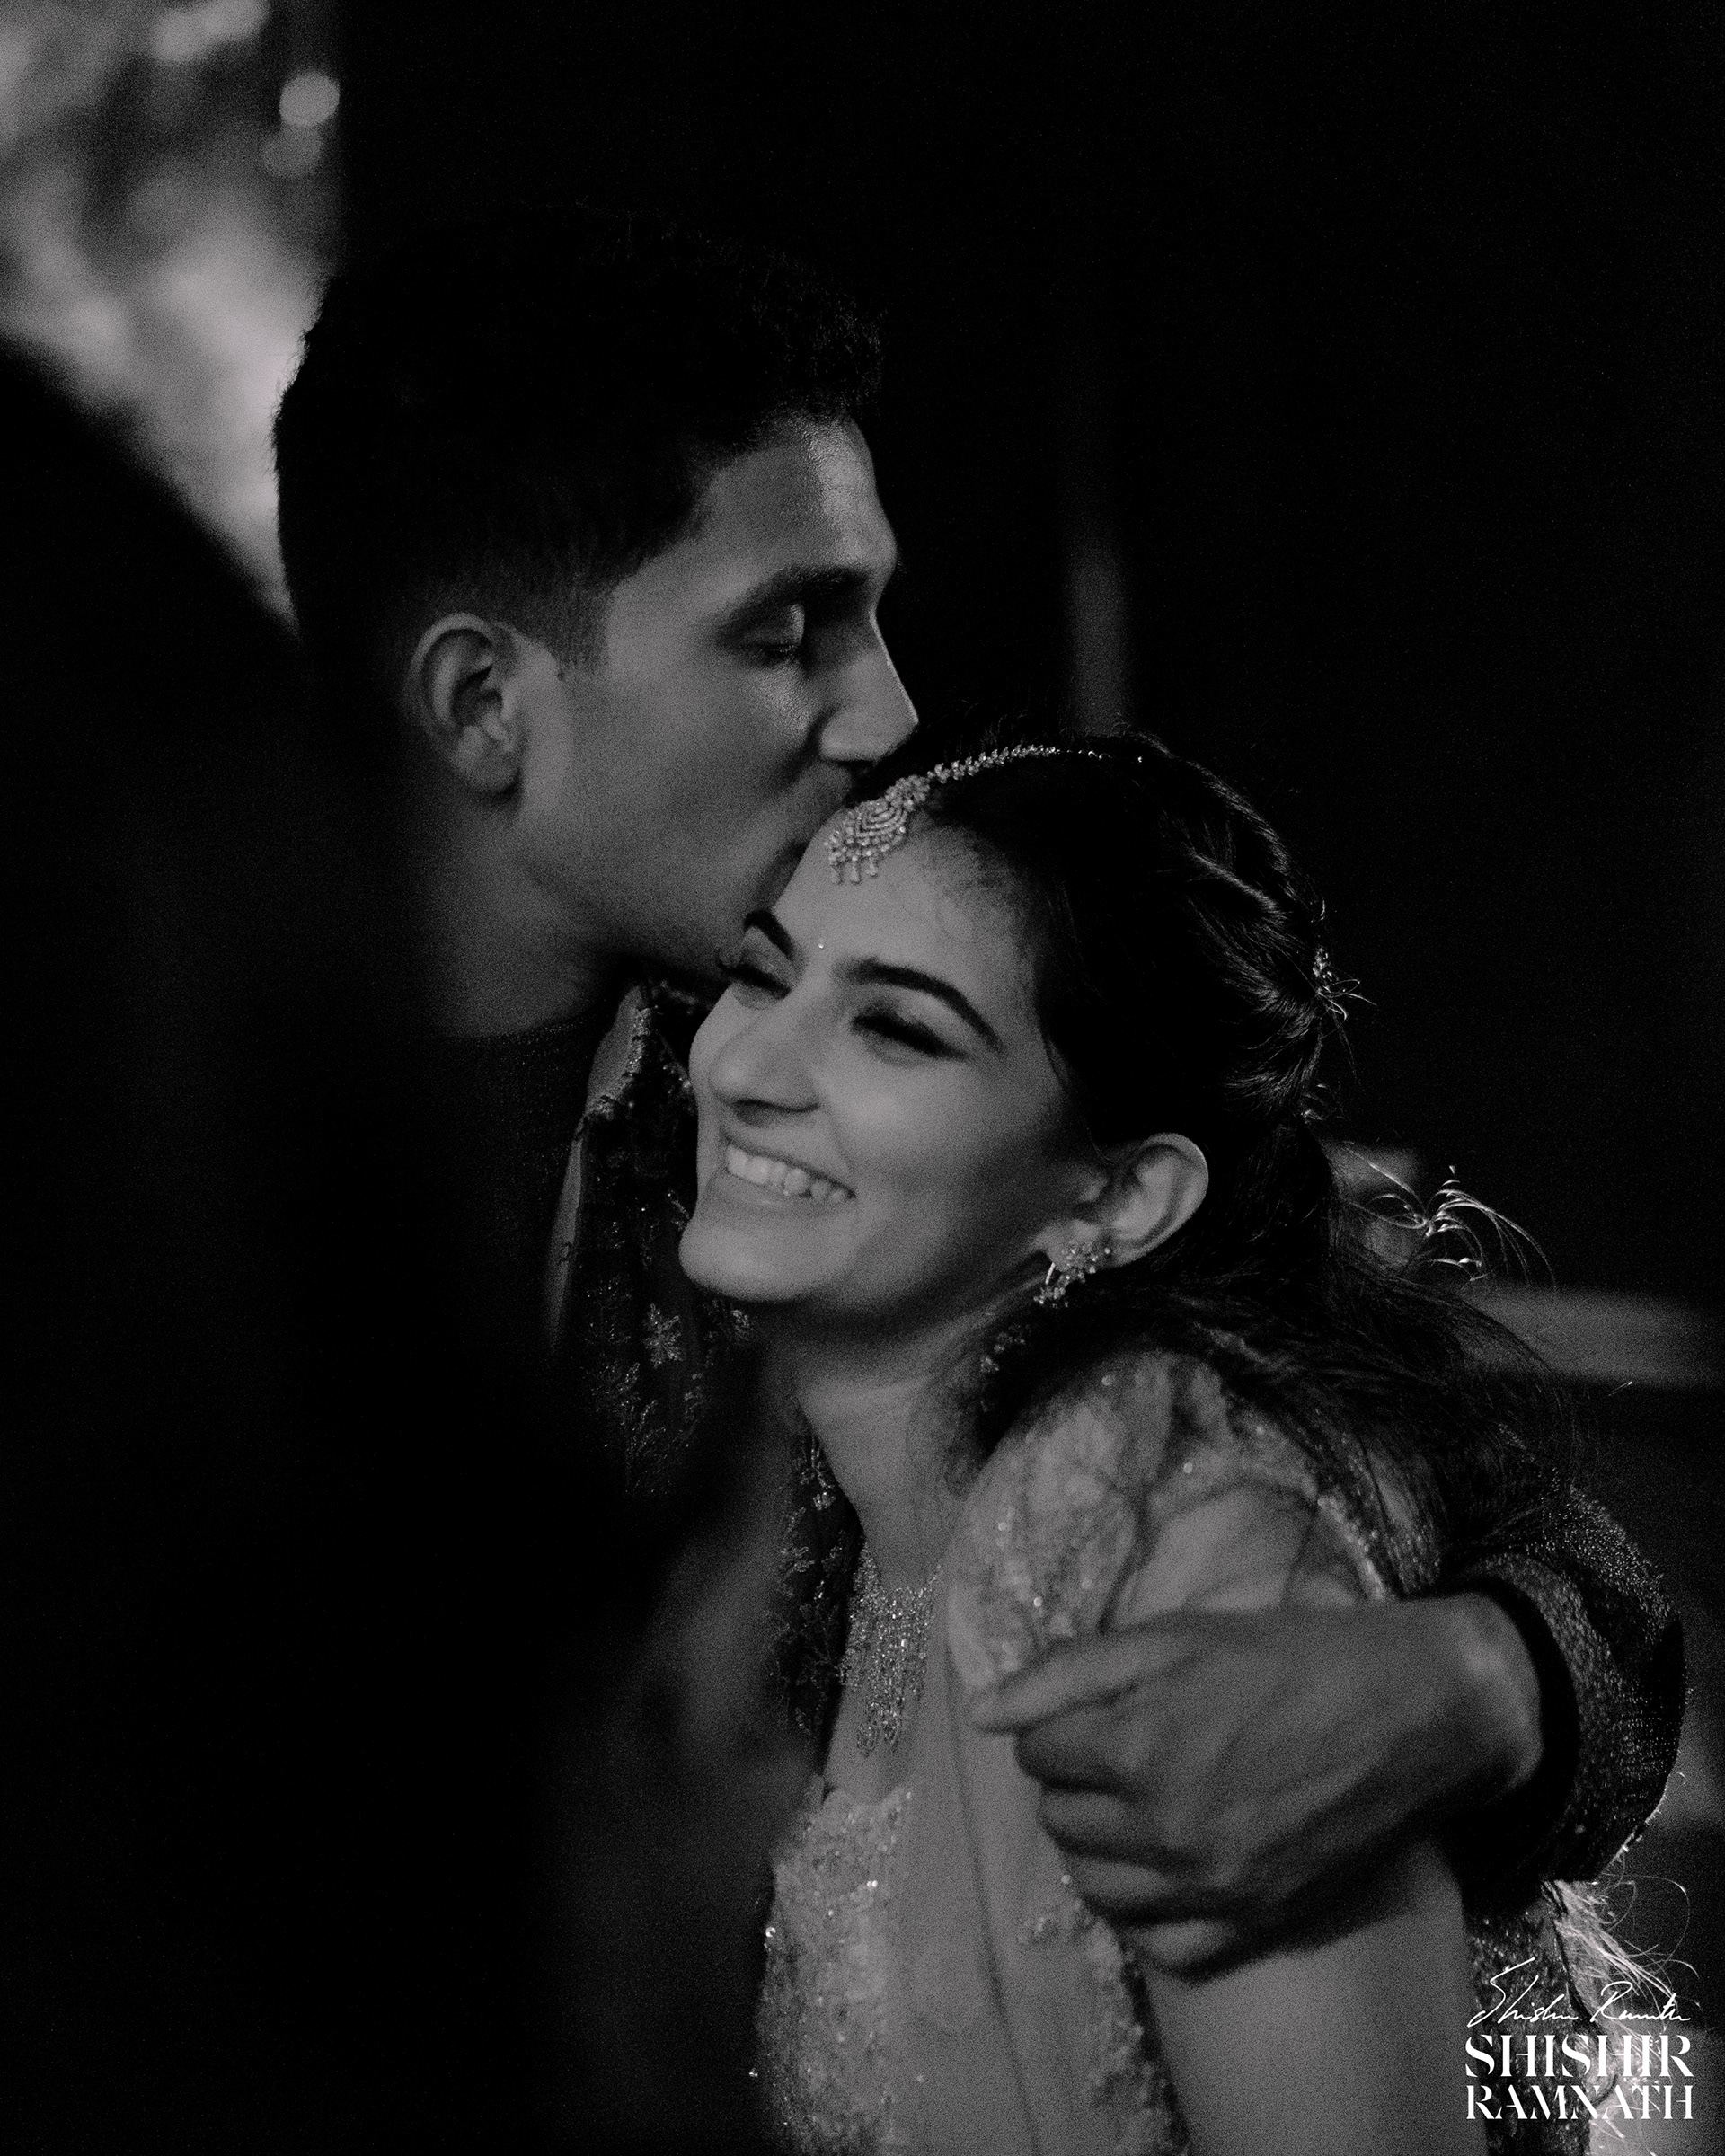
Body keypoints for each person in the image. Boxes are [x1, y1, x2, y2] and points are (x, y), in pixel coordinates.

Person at [271, 208, 1679, 2003]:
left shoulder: (832, 1049)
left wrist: (1479, 1685)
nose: (891, 706)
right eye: (792, 627)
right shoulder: (159, 1127)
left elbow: (1561, 1557)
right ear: (482, 704)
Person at [677, 729, 1650, 2154]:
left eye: (895, 1026)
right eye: (763, 973)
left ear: (1116, 1200)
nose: (747, 1063)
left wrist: (1496, 1670)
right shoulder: (807, 1495)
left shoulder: (1158, 1525)